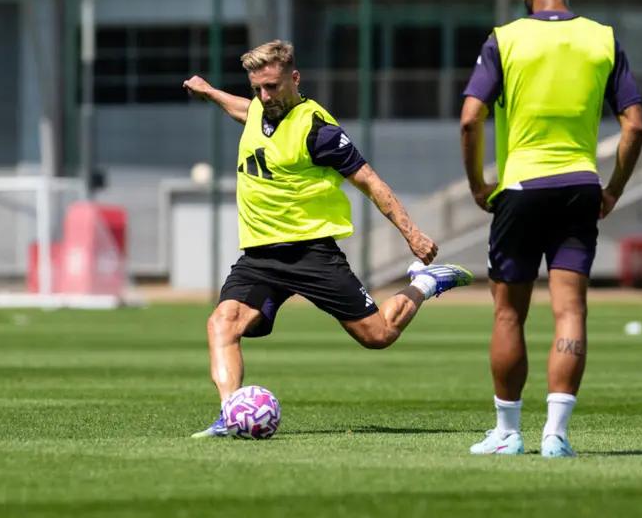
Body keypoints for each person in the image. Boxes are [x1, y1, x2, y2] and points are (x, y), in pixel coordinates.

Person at [184, 40, 475, 438]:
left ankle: (426, 282)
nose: (265, 96)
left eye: (272, 86)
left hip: (311, 253)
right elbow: (245, 110)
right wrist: (211, 92)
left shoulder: (317, 129)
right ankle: (230, 414)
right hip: (260, 256)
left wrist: (413, 233)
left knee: (379, 336)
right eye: (258, 88)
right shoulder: (258, 108)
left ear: (294, 78)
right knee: (222, 323)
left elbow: (369, 181)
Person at [460, 0, 642, 457]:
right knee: (571, 312)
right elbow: (635, 123)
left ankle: (507, 433)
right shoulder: (602, 39)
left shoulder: (505, 39)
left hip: (520, 188)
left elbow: (471, 118)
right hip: (580, 188)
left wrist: (479, 185)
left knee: (508, 315)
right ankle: (556, 435)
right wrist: (614, 188)